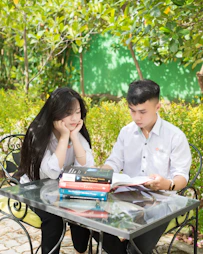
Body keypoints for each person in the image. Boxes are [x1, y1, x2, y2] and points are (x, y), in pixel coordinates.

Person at [75, 79, 192, 254]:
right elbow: (114, 162)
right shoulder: (126, 132)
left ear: (158, 107)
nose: (137, 117)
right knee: (88, 216)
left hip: (160, 202)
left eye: (142, 112)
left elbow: (182, 176)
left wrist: (166, 184)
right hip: (127, 199)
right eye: (132, 110)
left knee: (137, 248)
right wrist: (100, 175)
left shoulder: (174, 136)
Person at [18, 87, 94, 254]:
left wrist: (74, 137)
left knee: (88, 209)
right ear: (55, 113)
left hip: (63, 190)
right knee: (54, 220)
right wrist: (64, 137)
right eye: (68, 113)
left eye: (78, 112)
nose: (75, 118)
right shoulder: (38, 134)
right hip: (35, 191)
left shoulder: (77, 133)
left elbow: (88, 167)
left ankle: (82, 246)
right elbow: (51, 173)